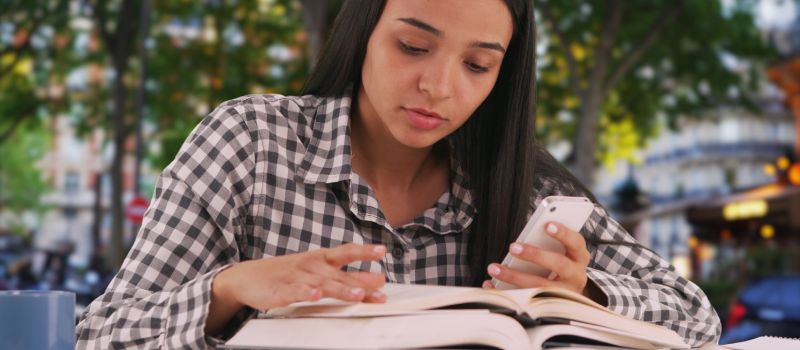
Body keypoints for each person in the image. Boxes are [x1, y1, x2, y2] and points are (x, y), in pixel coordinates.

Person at [77, 0, 721, 348]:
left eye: (477, 65)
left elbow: (698, 320)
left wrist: (588, 292)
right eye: (413, 46)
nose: (437, 86)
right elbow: (99, 337)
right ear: (363, 31)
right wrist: (231, 289)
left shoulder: (525, 187)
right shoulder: (249, 141)